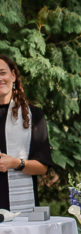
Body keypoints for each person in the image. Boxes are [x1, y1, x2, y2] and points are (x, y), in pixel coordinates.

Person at [0, 54, 51, 213]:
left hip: (20, 208)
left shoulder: (33, 115)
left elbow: (42, 167)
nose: (0, 78)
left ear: (13, 76)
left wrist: (16, 163)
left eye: (2, 73)